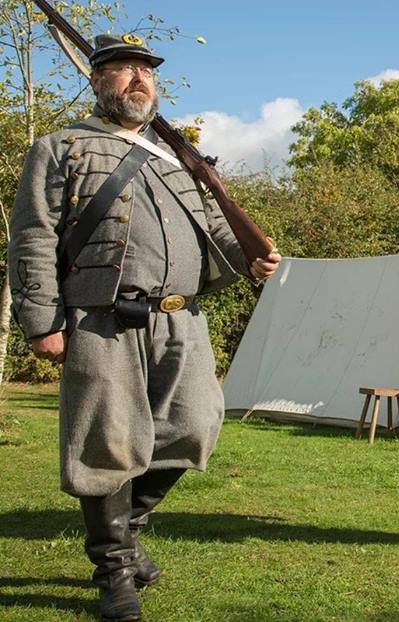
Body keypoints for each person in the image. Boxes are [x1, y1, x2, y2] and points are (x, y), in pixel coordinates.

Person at [7, 34, 281, 621]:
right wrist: (41, 321)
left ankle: (126, 533)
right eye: (124, 70)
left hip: (182, 319)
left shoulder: (180, 160)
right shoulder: (62, 148)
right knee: (107, 441)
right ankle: (113, 572)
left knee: (193, 427)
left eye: (146, 72)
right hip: (100, 320)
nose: (139, 80)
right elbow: (33, 237)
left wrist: (249, 257)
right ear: (97, 80)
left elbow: (216, 234)